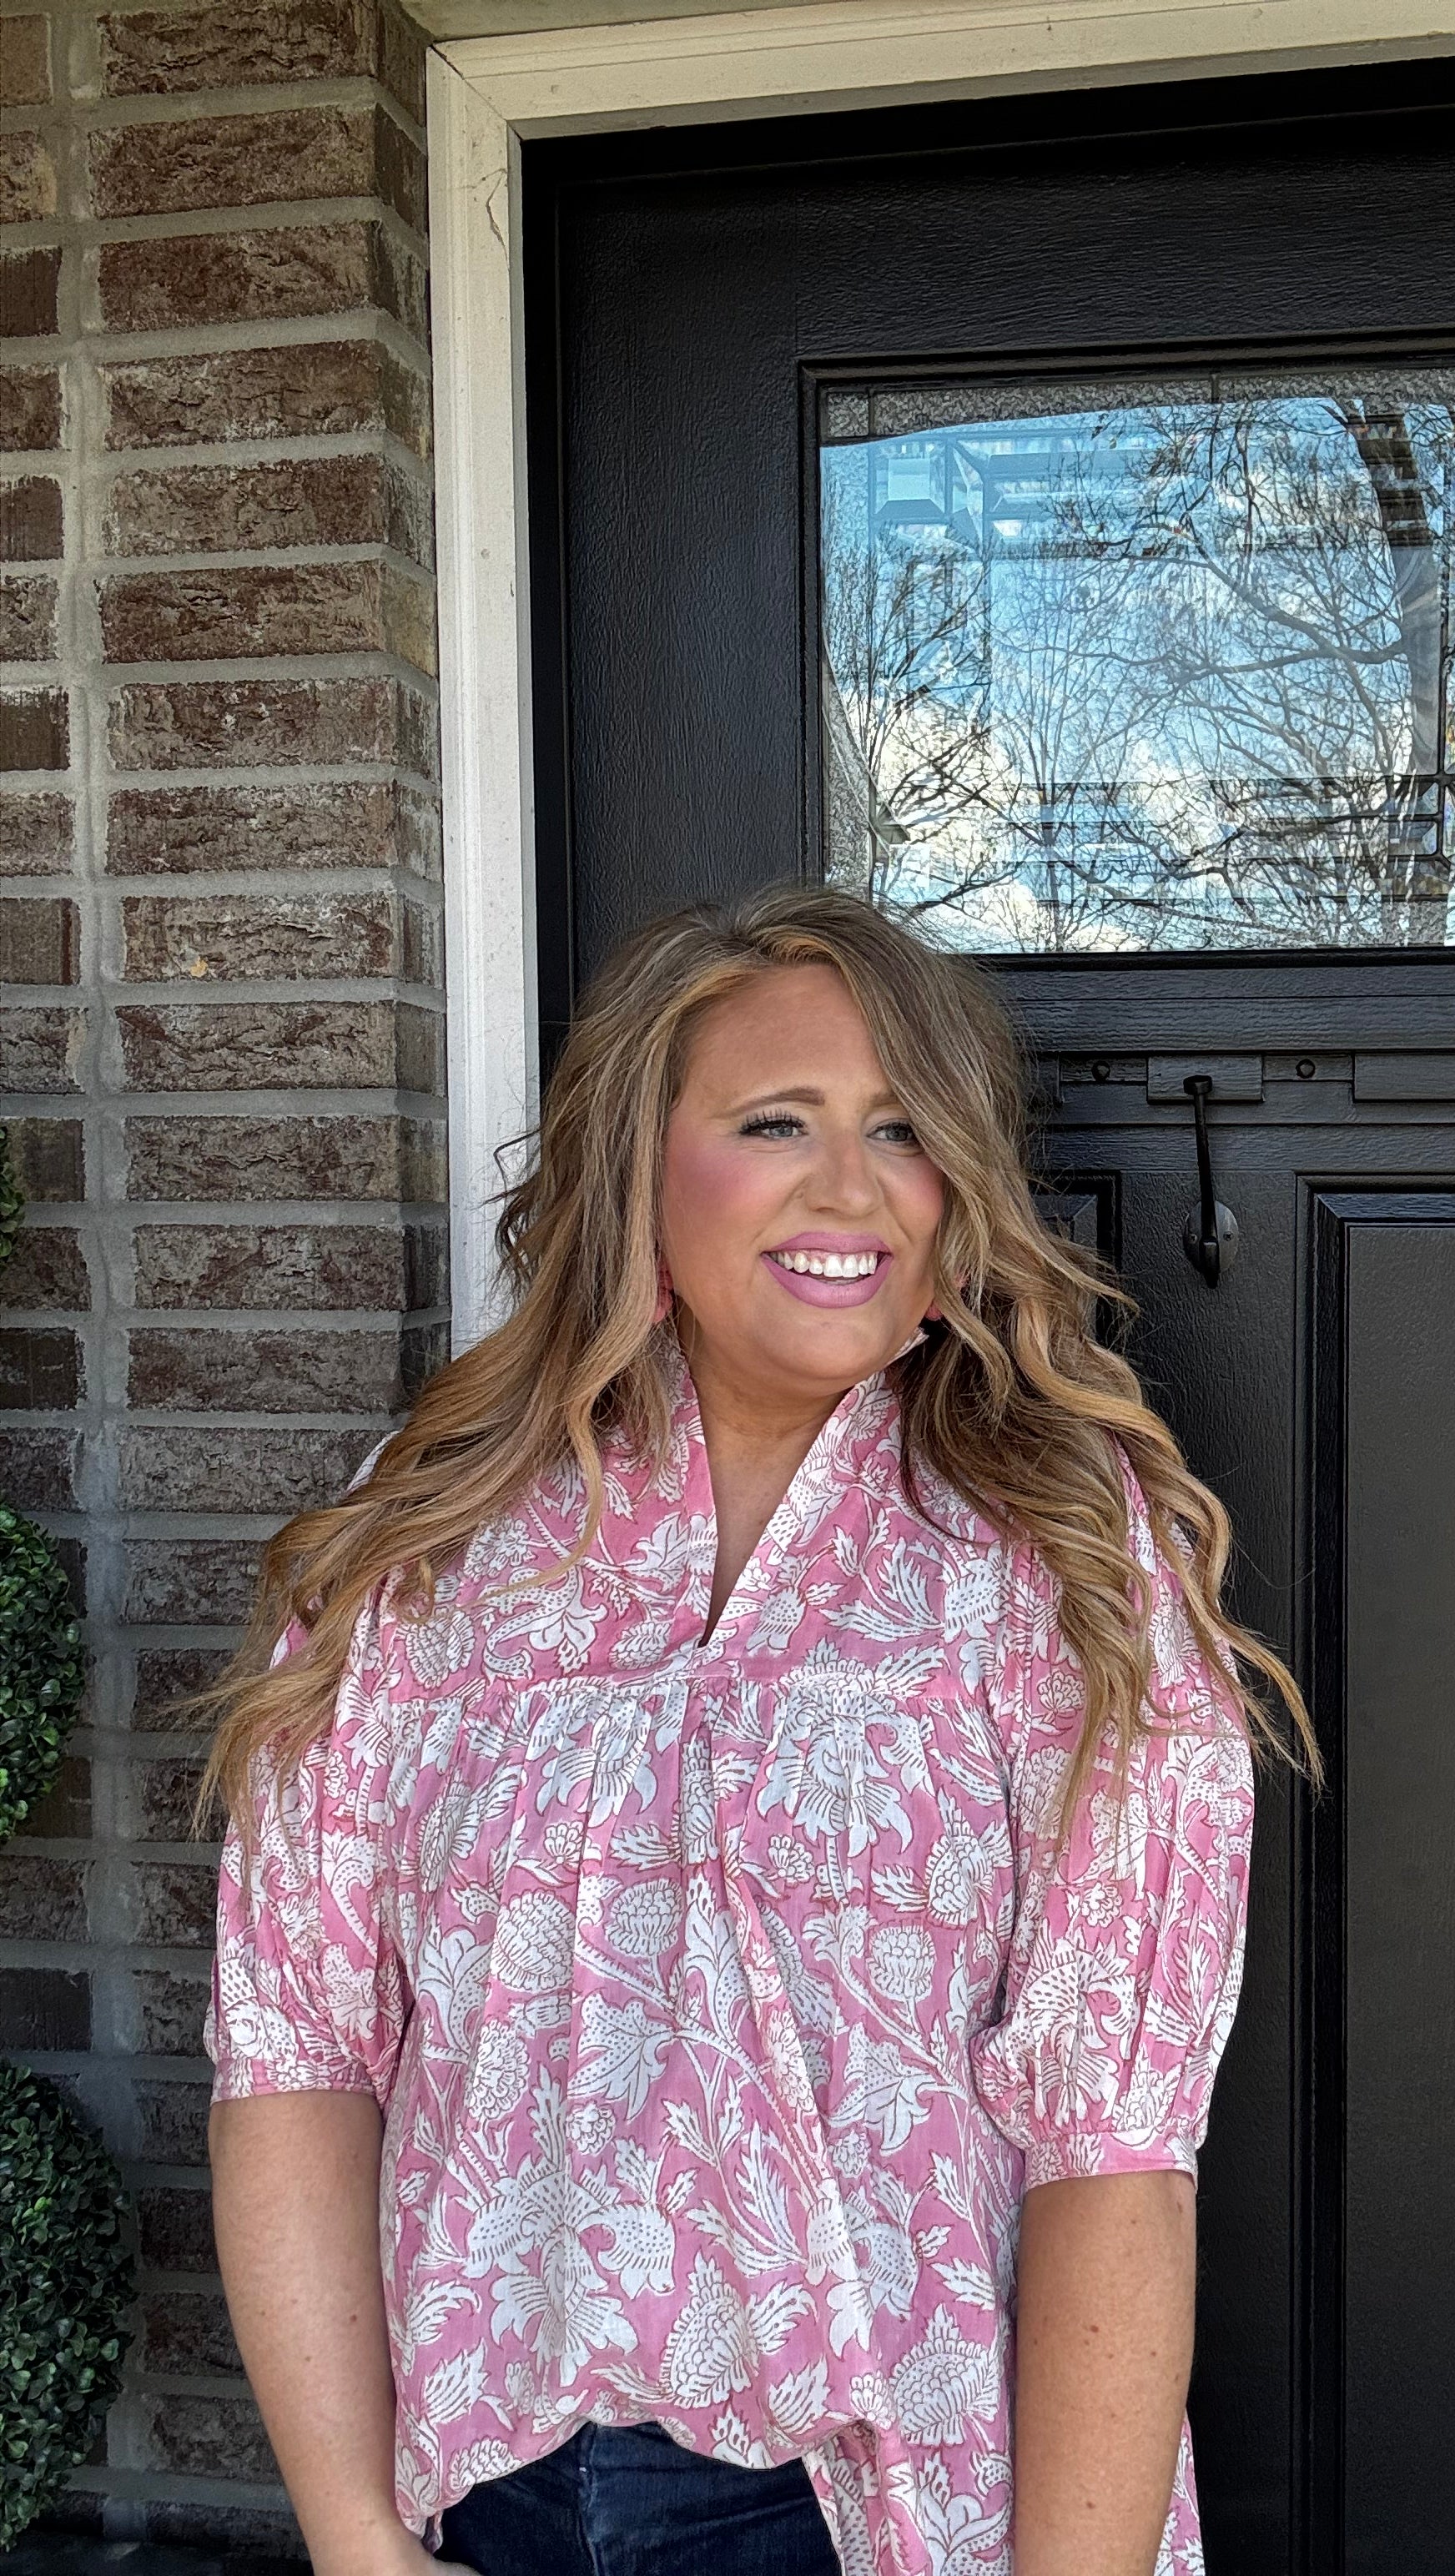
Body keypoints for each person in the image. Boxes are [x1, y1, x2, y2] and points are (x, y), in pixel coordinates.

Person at [201, 884, 1313, 2576]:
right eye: (775, 1121)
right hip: (482, 2489)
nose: (853, 1183)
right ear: (641, 1172)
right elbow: (296, 2045)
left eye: (903, 1130)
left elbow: (1115, 2146)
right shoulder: (430, 1538)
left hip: (875, 2519)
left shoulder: (1059, 1558)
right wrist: (356, 2535)